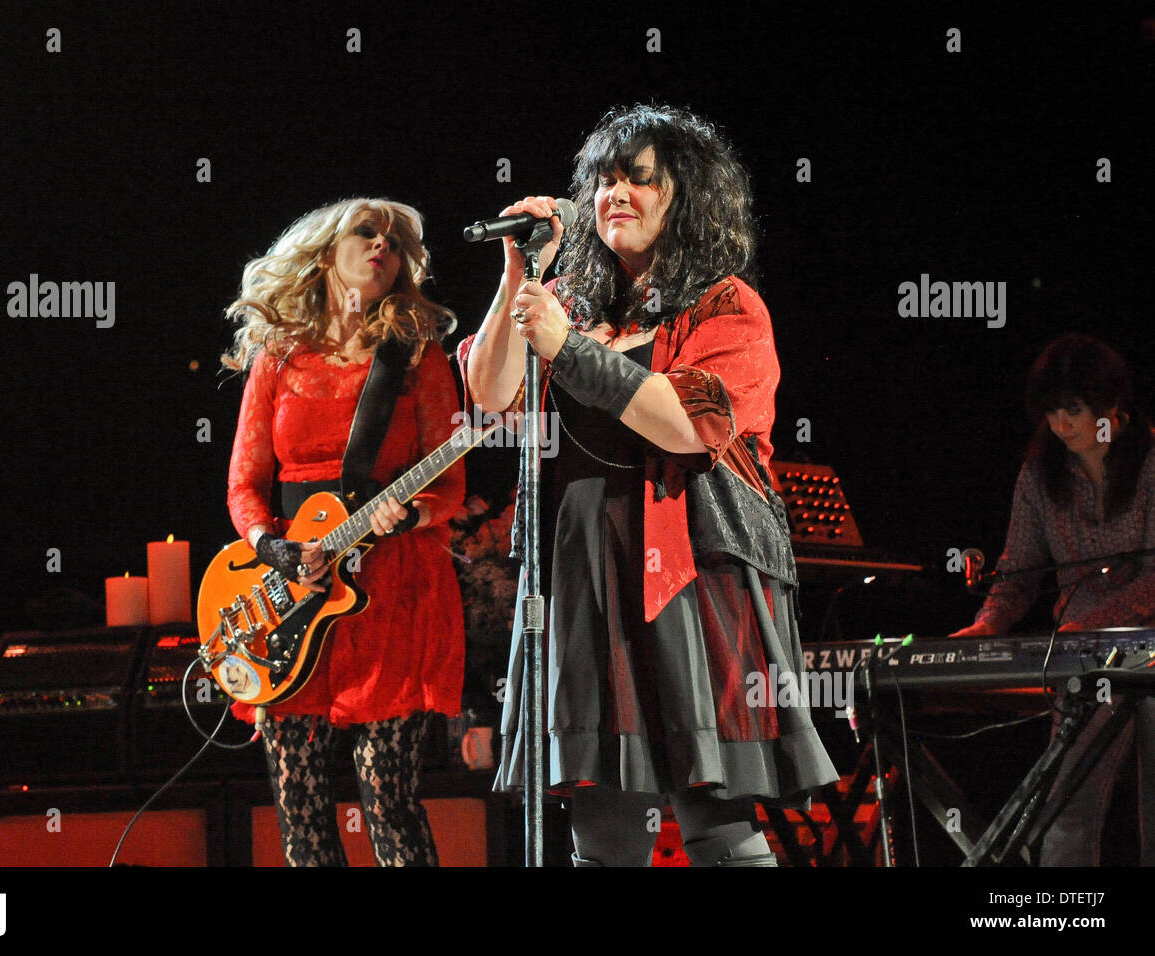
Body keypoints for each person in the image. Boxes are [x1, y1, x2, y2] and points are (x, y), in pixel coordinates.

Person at [461, 104, 838, 867]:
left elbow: (687, 424)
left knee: (714, 818)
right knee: (601, 824)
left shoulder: (726, 306)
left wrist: (569, 351)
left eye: (640, 179)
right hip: (581, 575)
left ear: (686, 198)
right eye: (603, 179)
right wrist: (521, 276)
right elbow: (490, 389)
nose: (615, 194)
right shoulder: (572, 303)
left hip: (688, 577)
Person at [222, 198, 466, 866]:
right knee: (299, 809)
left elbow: (451, 484)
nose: (382, 245)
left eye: (395, 241)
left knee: (389, 801)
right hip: (296, 591)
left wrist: (410, 513)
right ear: (327, 250)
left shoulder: (415, 355)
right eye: (367, 232)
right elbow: (244, 485)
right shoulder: (279, 356)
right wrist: (276, 550)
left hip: (393, 594)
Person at [952, 333, 1155, 866]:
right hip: (1082, 664)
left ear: (1112, 407)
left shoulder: (1152, 463)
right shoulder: (1040, 475)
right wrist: (989, 624)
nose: (1061, 425)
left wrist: (1094, 625)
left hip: (1142, 655)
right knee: (1068, 807)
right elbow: (1018, 573)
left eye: (1074, 410)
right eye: (1052, 412)